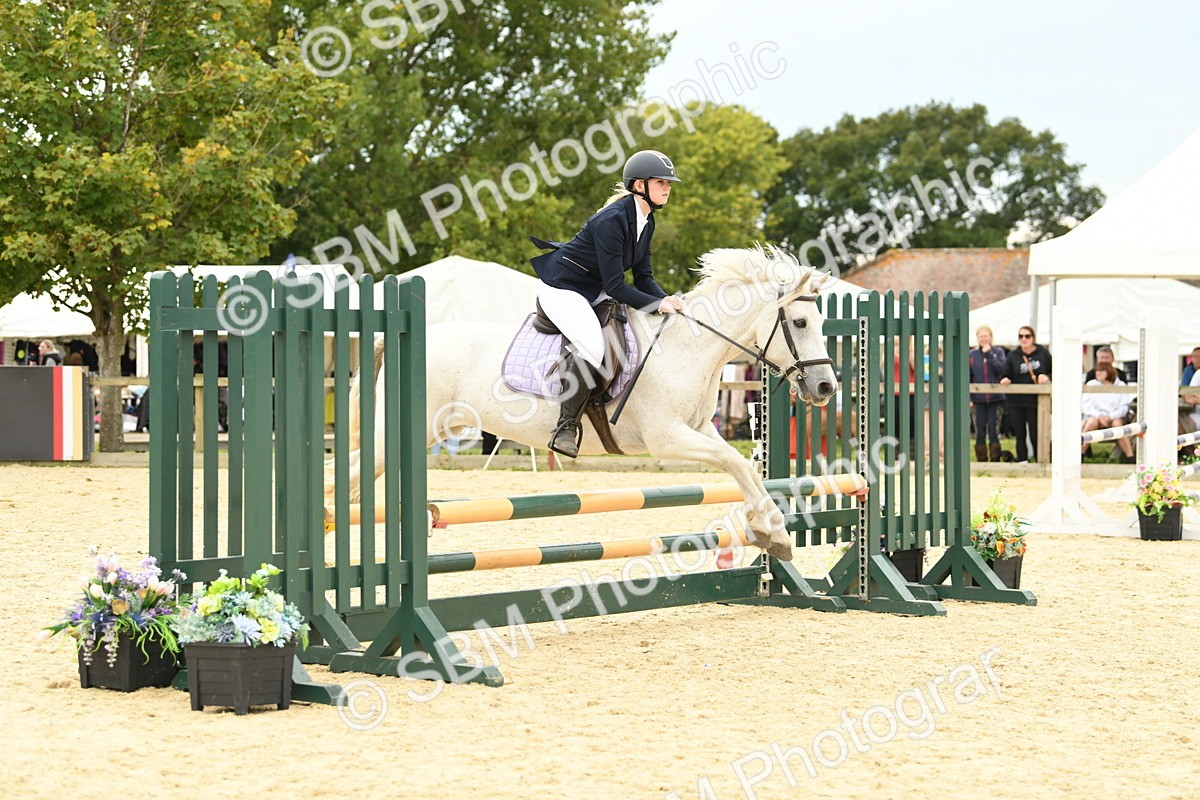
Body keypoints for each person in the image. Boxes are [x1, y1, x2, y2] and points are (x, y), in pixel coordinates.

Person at [529, 149, 683, 458]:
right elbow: (616, 286)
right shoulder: (612, 220)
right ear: (639, 185)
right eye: (661, 182)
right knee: (591, 345)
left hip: (592, 288)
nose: (667, 187)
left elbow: (643, 277)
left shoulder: (646, 220)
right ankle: (565, 427)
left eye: (668, 182)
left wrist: (666, 299)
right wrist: (656, 305)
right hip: (563, 288)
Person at [999, 325, 1051, 463]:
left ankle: (1041, 460)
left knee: (1036, 433)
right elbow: (1006, 374)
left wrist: (1046, 377)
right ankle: (1022, 460)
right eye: (1021, 336)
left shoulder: (1043, 353)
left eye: (1027, 336)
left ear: (1033, 338)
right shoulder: (1013, 355)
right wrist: (1006, 379)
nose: (1024, 339)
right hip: (1017, 400)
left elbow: (1054, 370)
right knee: (1020, 433)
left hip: (1037, 400)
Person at [1081, 364, 1135, 462]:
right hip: (1095, 417)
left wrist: (1110, 417)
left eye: (1101, 371)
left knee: (1117, 425)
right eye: (1097, 370)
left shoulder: (1121, 385)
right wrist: (1099, 416)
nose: (1098, 373)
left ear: (1109, 372)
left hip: (1114, 417)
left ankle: (1130, 457)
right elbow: (1086, 405)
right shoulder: (1091, 384)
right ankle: (1080, 455)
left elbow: (1124, 407)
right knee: (1091, 423)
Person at [968, 326, 1006, 462]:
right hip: (978, 399)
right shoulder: (972, 354)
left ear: (991, 337)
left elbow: (1001, 369)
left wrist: (989, 354)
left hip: (995, 398)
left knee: (994, 430)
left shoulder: (998, 352)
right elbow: (968, 376)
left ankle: (995, 459)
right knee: (979, 430)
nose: (983, 338)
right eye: (980, 336)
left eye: (985, 336)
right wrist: (969, 397)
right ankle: (981, 460)